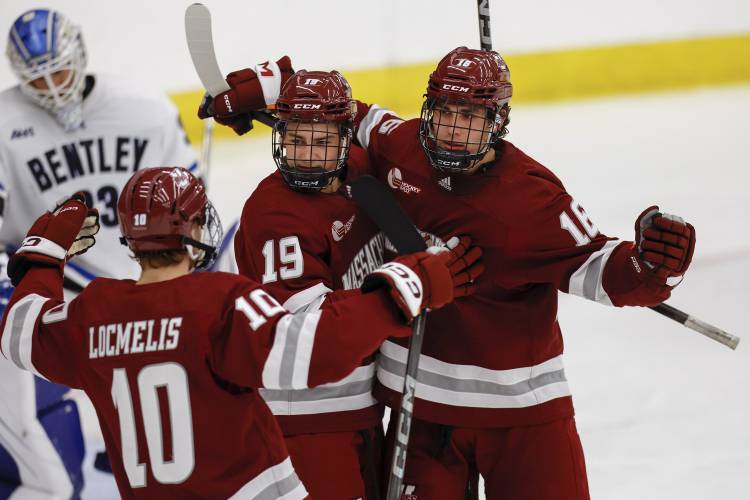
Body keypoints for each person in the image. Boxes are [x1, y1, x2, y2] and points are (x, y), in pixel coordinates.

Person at [205, 46, 696, 499]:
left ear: (498, 121)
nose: (453, 131)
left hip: (519, 417)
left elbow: (601, 268)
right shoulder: (400, 149)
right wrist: (274, 87)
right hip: (415, 410)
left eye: (471, 118)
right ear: (427, 111)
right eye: (444, 114)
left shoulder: (532, 198)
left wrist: (652, 268)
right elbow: (346, 113)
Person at [0, 166, 479, 498]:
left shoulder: (94, 314)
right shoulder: (217, 302)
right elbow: (317, 351)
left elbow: (19, 332)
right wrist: (403, 288)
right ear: (191, 229)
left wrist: (43, 254)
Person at [203, 66, 482, 499]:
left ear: (346, 139)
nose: (307, 157)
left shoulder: (359, 170)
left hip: (359, 409)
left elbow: (398, 140)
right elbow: (318, 333)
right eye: (295, 140)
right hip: (305, 421)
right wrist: (408, 288)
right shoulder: (275, 214)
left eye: (321, 142)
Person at [0, 8, 198, 498]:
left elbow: (191, 195)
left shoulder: (143, 107)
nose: (52, 88)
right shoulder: (4, 121)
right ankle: (39, 463)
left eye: (59, 71)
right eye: (37, 81)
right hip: (47, 275)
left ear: (79, 55)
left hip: (140, 268)